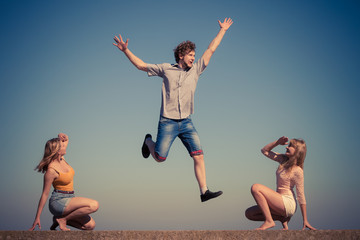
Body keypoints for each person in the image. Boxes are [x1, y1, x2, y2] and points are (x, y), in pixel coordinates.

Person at [113, 18, 233, 202]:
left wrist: (222, 30)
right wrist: (126, 50)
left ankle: (204, 191)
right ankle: (148, 141)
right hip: (167, 122)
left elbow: (211, 50)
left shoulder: (196, 70)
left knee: (199, 156)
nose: (194, 57)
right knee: (160, 158)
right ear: (181, 56)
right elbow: (141, 65)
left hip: (186, 122)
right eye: (191, 54)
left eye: (194, 54)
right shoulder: (166, 69)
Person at [29, 133, 99, 231]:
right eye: (61, 146)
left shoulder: (62, 159)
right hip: (58, 201)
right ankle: (63, 219)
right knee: (94, 205)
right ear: (57, 151)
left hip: (70, 198)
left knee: (90, 226)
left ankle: (58, 219)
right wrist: (37, 217)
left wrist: (61, 135)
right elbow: (45, 194)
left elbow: (65, 140)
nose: (64, 146)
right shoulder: (51, 170)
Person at [245, 136, 316, 230]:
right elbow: (264, 150)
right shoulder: (283, 160)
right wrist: (277, 142)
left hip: (287, 203)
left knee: (256, 187)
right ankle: (281, 218)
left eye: (291, 146)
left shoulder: (298, 170)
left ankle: (269, 221)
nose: (287, 147)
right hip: (278, 201)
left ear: (298, 151)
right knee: (249, 214)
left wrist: (305, 220)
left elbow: (301, 196)